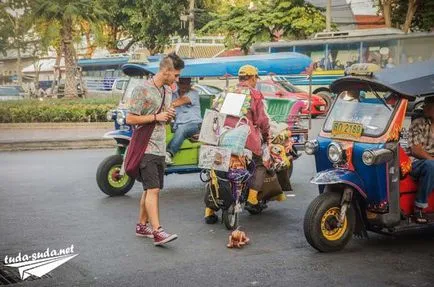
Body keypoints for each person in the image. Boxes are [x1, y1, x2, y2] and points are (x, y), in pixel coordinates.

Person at [205, 64, 284, 224]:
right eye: (256, 78)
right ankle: (253, 199)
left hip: (222, 137)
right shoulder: (254, 94)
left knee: (217, 170)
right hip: (245, 139)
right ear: (253, 77)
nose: (256, 82)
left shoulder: (226, 91)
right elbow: (261, 120)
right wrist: (266, 134)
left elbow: (214, 113)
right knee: (261, 163)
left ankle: (209, 210)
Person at [125, 52, 184, 245]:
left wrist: (169, 114)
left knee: (149, 189)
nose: (178, 79)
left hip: (160, 146)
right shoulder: (142, 89)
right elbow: (130, 119)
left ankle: (142, 226)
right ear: (166, 71)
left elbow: (163, 117)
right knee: (154, 189)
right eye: (176, 74)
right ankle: (158, 231)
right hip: (145, 146)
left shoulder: (167, 91)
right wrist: (156, 117)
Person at [408, 96, 434, 223]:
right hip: (416, 163)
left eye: (430, 106)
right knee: (431, 166)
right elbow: (415, 150)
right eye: (426, 106)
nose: (426, 108)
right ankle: (419, 207)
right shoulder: (418, 123)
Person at [165, 77, 202, 165]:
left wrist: (168, 105)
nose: (184, 85)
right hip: (177, 125)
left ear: (190, 84)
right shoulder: (173, 95)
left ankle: (168, 153)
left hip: (194, 125)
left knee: (182, 129)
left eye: (187, 83)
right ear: (178, 83)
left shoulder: (193, 93)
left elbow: (180, 101)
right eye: (182, 83)